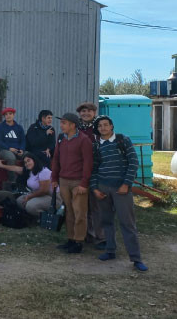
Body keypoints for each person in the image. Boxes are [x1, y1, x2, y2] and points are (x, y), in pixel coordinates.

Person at [91, 115, 147, 272]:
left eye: (105, 125)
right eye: (100, 126)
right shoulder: (96, 146)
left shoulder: (123, 140)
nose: (103, 128)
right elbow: (94, 169)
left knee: (127, 223)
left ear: (111, 126)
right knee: (107, 222)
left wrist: (126, 184)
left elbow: (133, 162)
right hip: (103, 188)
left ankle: (136, 259)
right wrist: (95, 188)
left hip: (121, 189)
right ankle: (110, 251)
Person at [51, 112, 93, 254]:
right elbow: (56, 158)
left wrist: (84, 183)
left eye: (64, 123)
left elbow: (88, 162)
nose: (61, 125)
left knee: (80, 212)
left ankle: (79, 241)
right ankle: (70, 239)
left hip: (78, 182)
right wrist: (54, 178)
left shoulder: (84, 140)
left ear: (73, 125)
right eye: (61, 122)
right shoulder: (61, 138)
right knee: (68, 211)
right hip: (63, 180)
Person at [76, 101, 105, 249]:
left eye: (89, 111)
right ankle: (86, 234)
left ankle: (100, 237)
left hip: (96, 171)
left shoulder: (99, 128)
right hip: (80, 172)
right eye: (83, 111)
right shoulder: (76, 128)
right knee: (83, 206)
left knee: (97, 206)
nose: (85, 113)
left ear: (94, 113)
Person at [0, 152, 60, 217]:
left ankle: (47, 217)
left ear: (34, 160)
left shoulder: (44, 171)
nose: (27, 163)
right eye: (25, 162)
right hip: (40, 195)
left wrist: (29, 197)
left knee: (30, 206)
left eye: (28, 161)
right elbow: (15, 168)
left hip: (53, 197)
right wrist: (2, 165)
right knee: (19, 201)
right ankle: (34, 215)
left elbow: (44, 190)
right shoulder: (30, 171)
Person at [0, 108, 26, 191]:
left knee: (28, 156)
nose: (8, 116)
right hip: (4, 150)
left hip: (18, 150)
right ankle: (13, 182)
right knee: (11, 158)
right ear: (4, 116)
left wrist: (22, 149)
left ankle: (27, 180)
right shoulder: (0, 127)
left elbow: (23, 140)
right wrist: (9, 148)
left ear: (13, 115)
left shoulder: (19, 127)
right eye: (6, 114)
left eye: (10, 114)